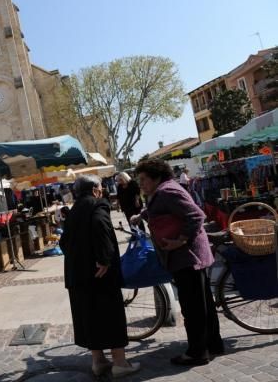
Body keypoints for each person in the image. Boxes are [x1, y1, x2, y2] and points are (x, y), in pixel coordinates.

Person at [131, 159, 223, 366]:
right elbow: (164, 210)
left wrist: (181, 239)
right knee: (203, 304)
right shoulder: (164, 190)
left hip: (186, 256)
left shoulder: (167, 191)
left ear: (156, 177)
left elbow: (195, 215)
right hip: (188, 256)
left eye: (144, 179)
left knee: (193, 307)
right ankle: (213, 344)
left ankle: (197, 353)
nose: (142, 184)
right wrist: (142, 216)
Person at [60, 175, 140, 378]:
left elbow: (63, 243)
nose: (103, 190)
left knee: (89, 317)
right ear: (95, 189)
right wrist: (104, 259)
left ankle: (98, 361)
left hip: (77, 275)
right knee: (110, 315)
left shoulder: (73, 210)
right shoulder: (97, 205)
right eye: (101, 187)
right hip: (99, 274)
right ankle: (120, 363)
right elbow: (101, 226)